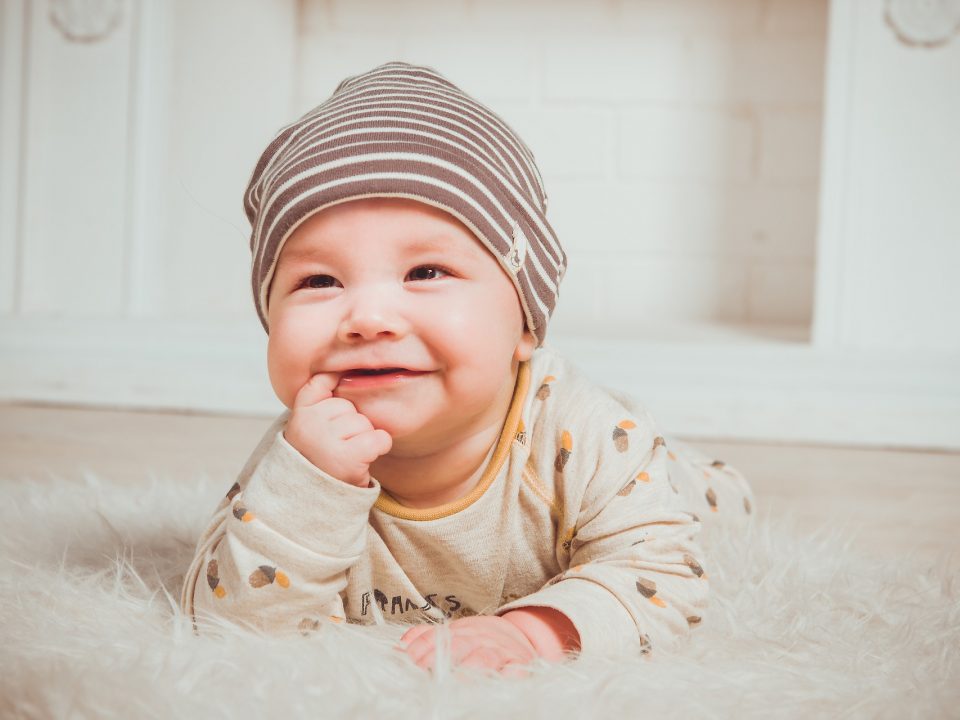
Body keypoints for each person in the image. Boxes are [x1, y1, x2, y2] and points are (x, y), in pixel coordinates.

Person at [180, 60, 755, 675]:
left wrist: (534, 633)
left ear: (526, 324)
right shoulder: (303, 458)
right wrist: (309, 491)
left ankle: (693, 471)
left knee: (698, 504)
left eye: (426, 272)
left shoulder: (586, 435)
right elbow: (228, 620)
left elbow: (662, 576)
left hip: (623, 464)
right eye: (319, 279)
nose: (369, 318)